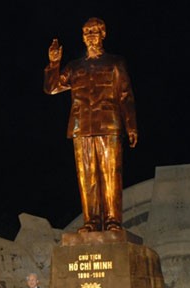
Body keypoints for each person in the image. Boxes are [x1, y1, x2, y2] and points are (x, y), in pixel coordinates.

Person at [44, 17, 138, 233]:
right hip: (81, 127)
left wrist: (131, 125)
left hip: (109, 125)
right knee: (87, 177)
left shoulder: (115, 63)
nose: (90, 35)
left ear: (103, 34)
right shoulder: (75, 67)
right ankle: (92, 221)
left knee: (111, 174)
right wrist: (54, 64)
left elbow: (125, 95)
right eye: (86, 32)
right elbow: (52, 88)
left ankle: (113, 221)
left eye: (95, 31)